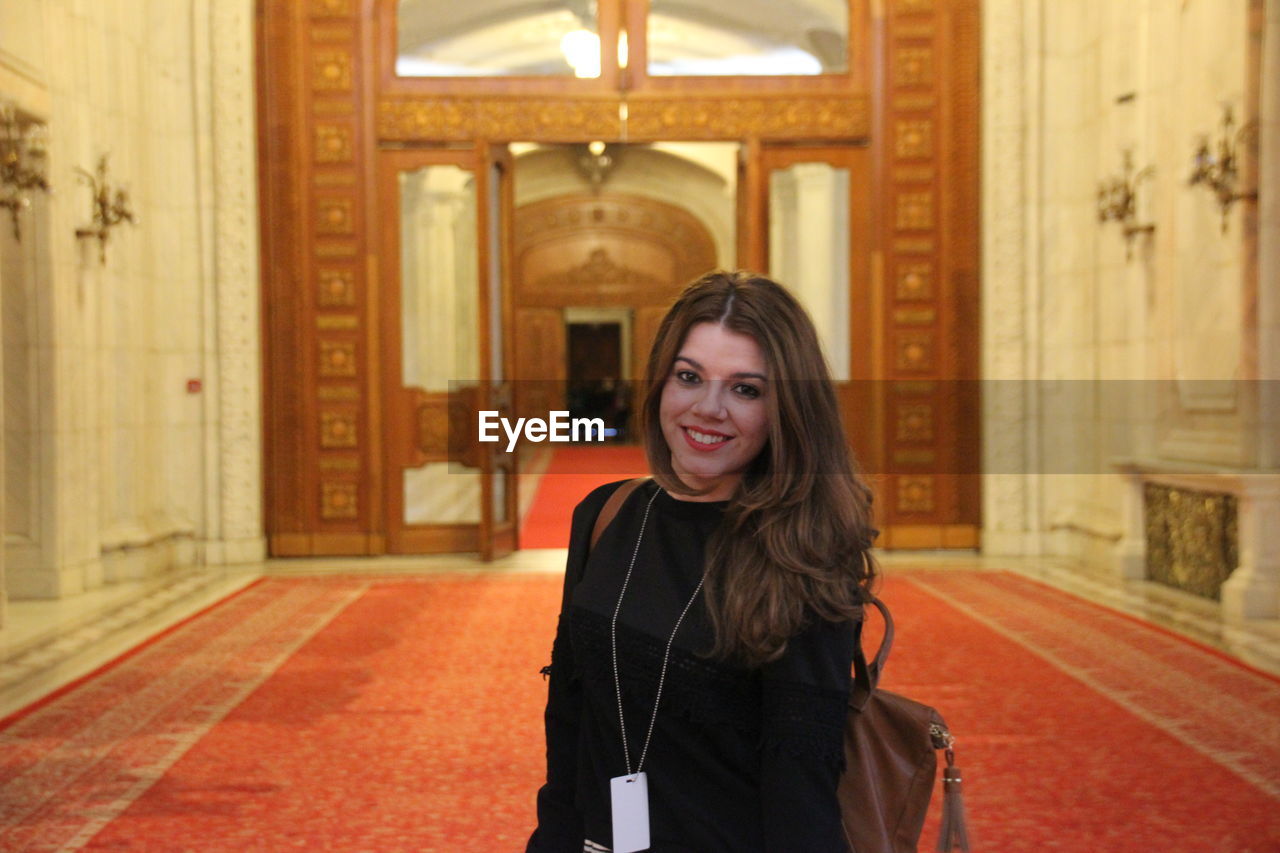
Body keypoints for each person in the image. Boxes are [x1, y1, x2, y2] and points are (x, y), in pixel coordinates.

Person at [527, 271, 878, 853]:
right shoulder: (607, 516)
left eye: (746, 389)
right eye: (689, 378)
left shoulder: (805, 552)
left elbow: (801, 789)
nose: (707, 408)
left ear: (785, 408)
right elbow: (569, 721)